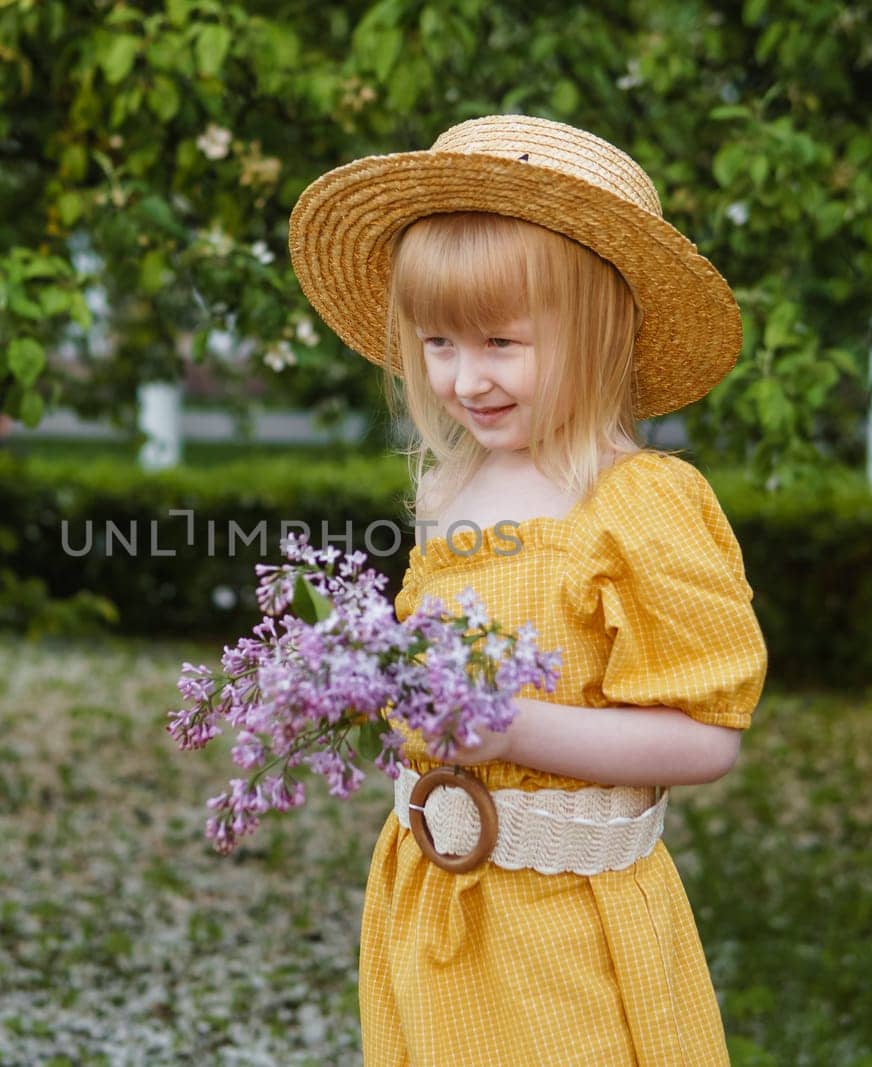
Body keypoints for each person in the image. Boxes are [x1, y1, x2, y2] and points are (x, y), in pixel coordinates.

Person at [288, 115, 768, 1065]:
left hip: (567, 936)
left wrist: (517, 731)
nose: (467, 378)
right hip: (434, 904)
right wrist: (366, 691)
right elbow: (436, 684)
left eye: (501, 341)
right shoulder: (447, 489)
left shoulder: (640, 502)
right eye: (438, 344)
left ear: (597, 331)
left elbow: (707, 737)